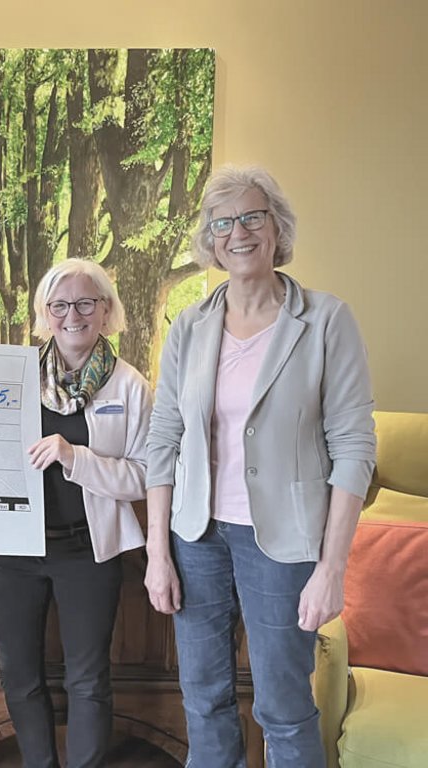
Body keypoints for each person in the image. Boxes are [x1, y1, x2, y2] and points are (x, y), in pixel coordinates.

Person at [144, 166, 377, 767]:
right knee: (203, 700)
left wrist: (331, 569)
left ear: (277, 227)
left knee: (284, 710)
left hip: (284, 545)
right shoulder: (190, 327)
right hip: (196, 537)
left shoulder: (326, 321)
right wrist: (157, 553)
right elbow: (163, 439)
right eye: (222, 223)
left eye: (252, 217)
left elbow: (354, 447)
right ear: (210, 239)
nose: (238, 232)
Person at [0, 259, 153, 768]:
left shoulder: (129, 386)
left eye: (85, 303)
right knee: (18, 674)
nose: (73, 316)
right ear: (45, 314)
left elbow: (144, 476)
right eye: (60, 305)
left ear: (106, 311)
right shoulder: (13, 377)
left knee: (88, 678)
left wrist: (74, 457)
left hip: (88, 550)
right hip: (15, 551)